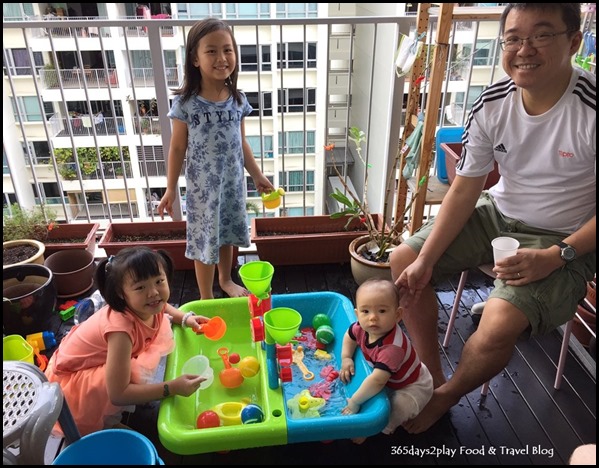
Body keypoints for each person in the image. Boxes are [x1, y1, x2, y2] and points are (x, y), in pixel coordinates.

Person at [390, 3, 595, 434]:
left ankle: (444, 399)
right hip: (498, 214)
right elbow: (466, 187)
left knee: (497, 323)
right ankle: (431, 379)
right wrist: (425, 259)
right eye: (513, 38)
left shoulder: (590, 109)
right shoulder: (492, 103)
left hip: (565, 236)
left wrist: (559, 255)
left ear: (573, 42)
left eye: (541, 35)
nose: (524, 49)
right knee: (403, 262)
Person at [157, 18, 274, 300]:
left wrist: (257, 175)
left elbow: (241, 141)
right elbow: (177, 148)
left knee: (227, 233)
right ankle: (206, 296)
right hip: (203, 189)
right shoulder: (186, 103)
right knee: (204, 240)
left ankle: (225, 279)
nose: (222, 58)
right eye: (211, 51)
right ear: (195, 59)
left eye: (227, 50)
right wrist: (171, 189)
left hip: (232, 183)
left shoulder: (237, 98)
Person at [45, 247, 209, 436]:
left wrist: (185, 318)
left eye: (159, 281)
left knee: (130, 370)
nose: (154, 292)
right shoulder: (121, 332)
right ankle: (107, 425)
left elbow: (164, 308)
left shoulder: (148, 305)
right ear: (121, 293)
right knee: (117, 384)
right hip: (74, 381)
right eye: (140, 287)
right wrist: (171, 388)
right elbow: (118, 394)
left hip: (101, 359)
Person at [340, 278, 433, 444]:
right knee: (371, 390)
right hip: (390, 376)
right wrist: (346, 358)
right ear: (357, 314)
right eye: (365, 311)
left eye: (382, 311)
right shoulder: (360, 327)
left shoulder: (392, 348)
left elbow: (377, 381)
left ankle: (377, 429)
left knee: (399, 406)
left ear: (397, 315)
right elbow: (349, 336)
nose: (373, 318)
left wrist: (354, 401)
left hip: (412, 385)